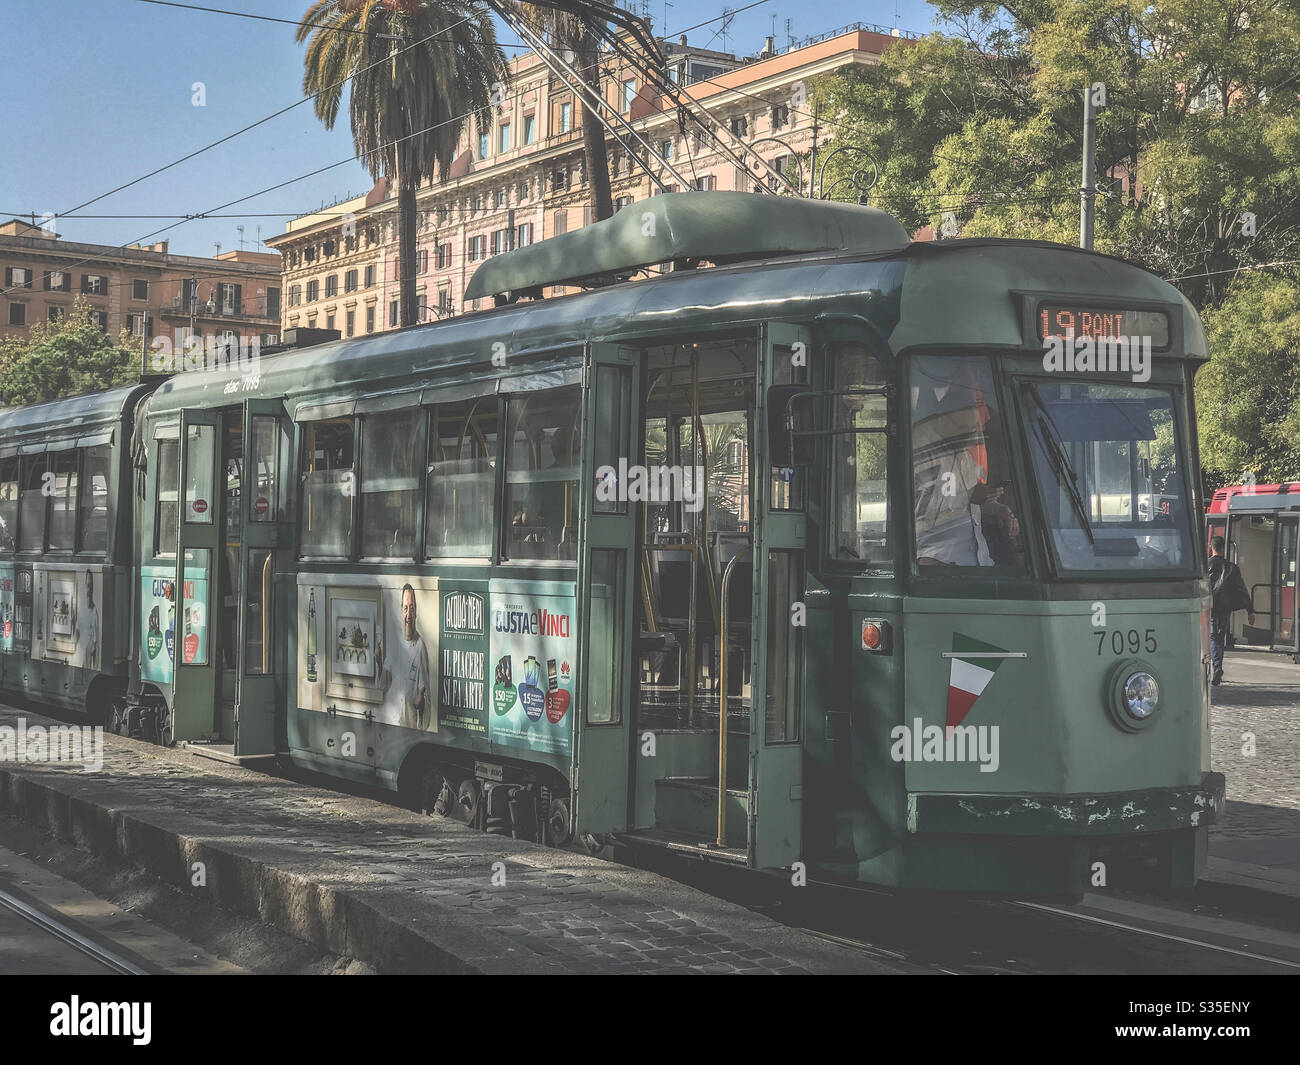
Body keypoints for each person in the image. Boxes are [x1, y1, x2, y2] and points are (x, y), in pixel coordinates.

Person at [378, 584, 432, 729]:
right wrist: (378, 661)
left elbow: (424, 691)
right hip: (391, 718)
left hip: (409, 722)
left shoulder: (421, 647)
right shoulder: (394, 642)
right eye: (406, 608)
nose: (409, 615)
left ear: (416, 613)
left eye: (412, 609)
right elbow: (383, 683)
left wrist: (420, 698)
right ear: (401, 610)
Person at [1208, 535, 1254, 685]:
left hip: (1210, 608)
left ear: (1211, 547)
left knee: (1213, 638)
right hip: (1225, 609)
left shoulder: (1205, 566)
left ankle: (1216, 668)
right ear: (1223, 548)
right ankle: (1217, 667)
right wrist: (1250, 610)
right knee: (1219, 638)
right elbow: (1242, 589)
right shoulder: (1232, 568)